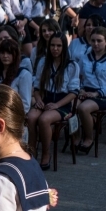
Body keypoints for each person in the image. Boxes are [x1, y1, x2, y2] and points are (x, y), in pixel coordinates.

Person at [27, 32, 79, 169]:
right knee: (31, 117)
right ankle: (31, 151)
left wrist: (57, 105)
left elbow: (74, 93)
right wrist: (38, 99)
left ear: (64, 47)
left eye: (59, 46)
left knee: (44, 119)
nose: (55, 49)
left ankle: (46, 153)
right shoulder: (43, 62)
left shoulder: (71, 65)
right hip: (44, 98)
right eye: (52, 45)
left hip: (62, 102)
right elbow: (37, 87)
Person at [75, 27, 106, 153]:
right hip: (86, 92)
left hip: (104, 95)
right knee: (72, 106)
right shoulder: (85, 58)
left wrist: (97, 93)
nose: (95, 44)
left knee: (83, 108)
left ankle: (89, 138)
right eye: (93, 40)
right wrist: (80, 89)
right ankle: (76, 137)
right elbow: (77, 77)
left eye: (99, 41)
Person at [0, 39, 33, 113]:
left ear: (15, 54)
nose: (5, 56)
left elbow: (25, 104)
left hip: (12, 114)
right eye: (2, 53)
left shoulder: (23, 74)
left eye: (9, 53)